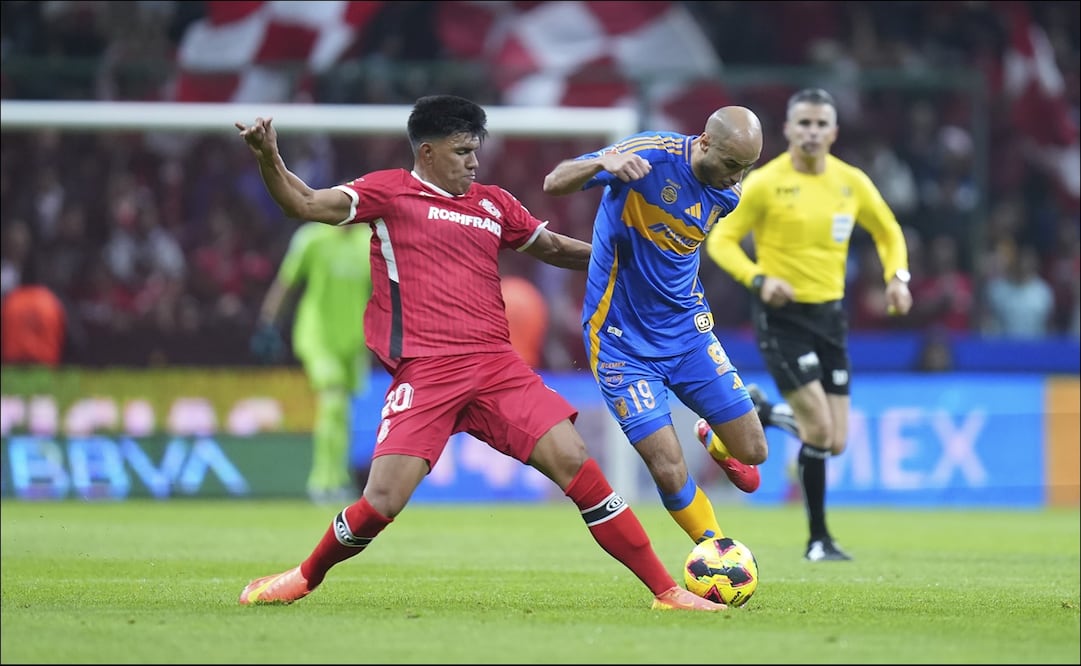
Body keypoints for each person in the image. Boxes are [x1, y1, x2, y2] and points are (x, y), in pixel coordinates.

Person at [233, 94, 725, 611]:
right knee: (380, 503)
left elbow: (553, 248)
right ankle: (304, 577)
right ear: (427, 151)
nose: (474, 161)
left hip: (497, 367)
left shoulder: (493, 203)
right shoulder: (387, 193)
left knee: (578, 463)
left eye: (476, 150)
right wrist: (270, 159)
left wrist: (630, 261)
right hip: (427, 372)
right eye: (463, 151)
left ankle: (666, 591)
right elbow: (305, 203)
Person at [542, 106, 770, 548]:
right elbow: (554, 182)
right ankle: (717, 550)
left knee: (754, 452)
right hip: (620, 341)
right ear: (705, 141)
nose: (735, 178)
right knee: (667, 466)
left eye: (746, 169)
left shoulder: (728, 195)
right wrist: (600, 163)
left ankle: (714, 435)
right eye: (730, 165)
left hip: (687, 333)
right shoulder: (648, 157)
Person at [705, 88, 913, 561]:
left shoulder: (850, 182)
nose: (812, 132)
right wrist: (758, 278)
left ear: (834, 132)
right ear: (788, 130)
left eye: (821, 124)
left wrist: (897, 278)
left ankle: (762, 414)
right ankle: (818, 540)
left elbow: (887, 230)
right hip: (783, 319)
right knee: (819, 429)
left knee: (835, 441)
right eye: (804, 124)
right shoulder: (764, 183)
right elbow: (723, 241)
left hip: (830, 317)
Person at [252, 221, 373, 503]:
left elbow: (384, 289)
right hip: (318, 337)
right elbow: (286, 281)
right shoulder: (312, 238)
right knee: (332, 402)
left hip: (353, 341)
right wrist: (267, 321)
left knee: (343, 412)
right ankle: (322, 481)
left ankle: (339, 479)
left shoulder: (368, 241)